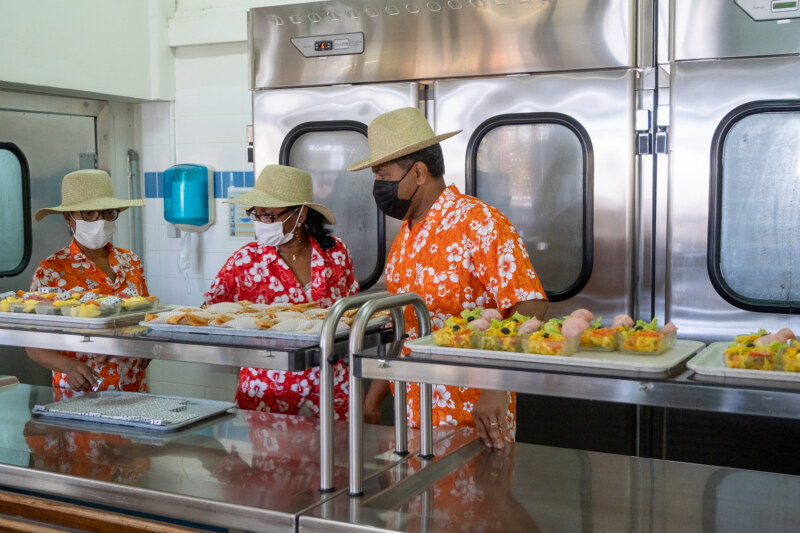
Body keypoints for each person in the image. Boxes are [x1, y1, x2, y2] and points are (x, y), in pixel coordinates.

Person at [349, 107, 549, 448]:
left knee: (479, 499)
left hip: (475, 410)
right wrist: (375, 396)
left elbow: (531, 306)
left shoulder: (480, 222)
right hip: (413, 413)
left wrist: (496, 385)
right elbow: (406, 327)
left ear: (419, 173)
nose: (378, 187)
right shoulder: (407, 235)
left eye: (383, 176)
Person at [204, 164, 359, 418]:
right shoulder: (245, 262)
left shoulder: (336, 253)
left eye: (270, 215)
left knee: (337, 454)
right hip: (267, 388)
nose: (261, 222)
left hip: (331, 383)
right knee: (272, 458)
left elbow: (352, 312)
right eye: (257, 214)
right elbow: (208, 315)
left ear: (301, 214)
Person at [26, 169, 149, 393]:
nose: (100, 221)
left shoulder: (131, 262)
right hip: (81, 391)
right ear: (68, 218)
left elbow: (146, 319)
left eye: (108, 213)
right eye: (89, 213)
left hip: (132, 388)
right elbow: (33, 344)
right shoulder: (51, 271)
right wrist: (69, 367)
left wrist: (147, 348)